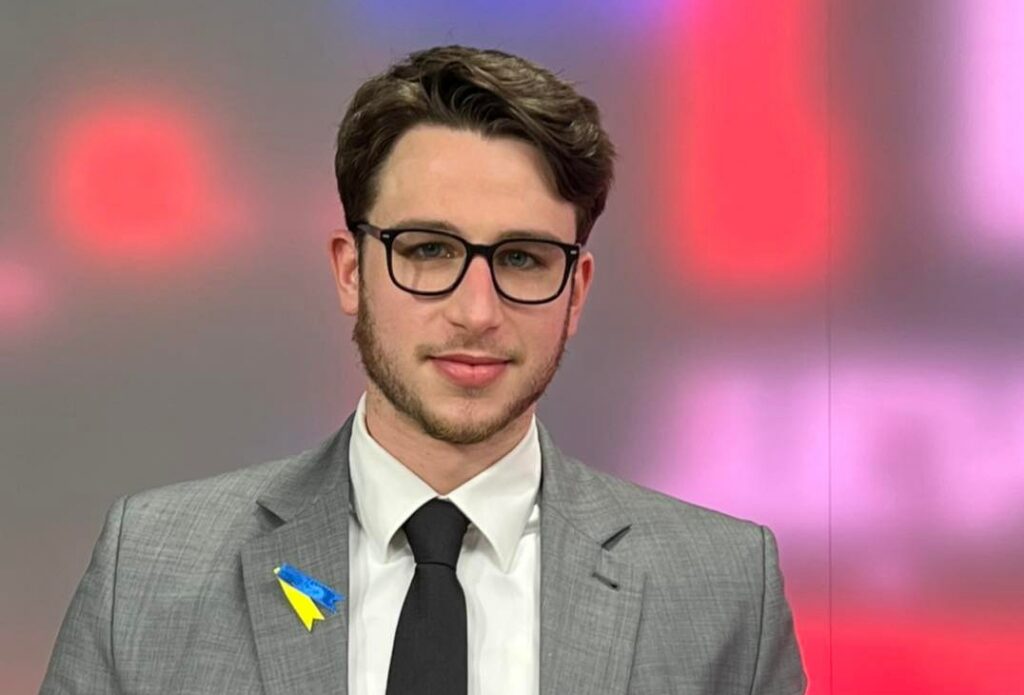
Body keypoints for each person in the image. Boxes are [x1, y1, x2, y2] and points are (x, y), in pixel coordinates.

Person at [41, 44, 807, 695]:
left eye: (522, 258)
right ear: (351, 271)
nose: (477, 311)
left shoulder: (723, 589)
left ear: (575, 292)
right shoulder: (149, 565)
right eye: (429, 250)